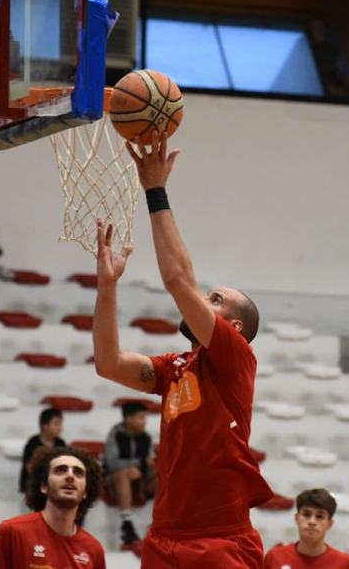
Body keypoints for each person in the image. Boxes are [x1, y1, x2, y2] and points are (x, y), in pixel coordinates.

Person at [92, 131, 273, 568]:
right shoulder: (175, 367)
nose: (202, 301)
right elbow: (108, 363)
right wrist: (107, 286)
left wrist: (155, 190)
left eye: (215, 300)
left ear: (232, 326)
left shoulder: (234, 356)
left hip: (220, 539)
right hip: (165, 535)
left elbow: (178, 281)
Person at [0, 446, 106, 568]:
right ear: (44, 486)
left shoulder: (94, 549)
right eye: (60, 470)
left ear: (86, 492)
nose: (70, 476)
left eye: (78, 473)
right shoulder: (11, 532)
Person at [104, 401, 156, 549]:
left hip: (141, 479)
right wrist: (135, 465)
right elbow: (112, 462)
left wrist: (148, 464)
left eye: (145, 418)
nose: (144, 422)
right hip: (114, 480)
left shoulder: (146, 437)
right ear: (128, 419)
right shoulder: (115, 434)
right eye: (140, 418)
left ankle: (159, 522)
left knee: (162, 478)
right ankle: (127, 524)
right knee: (123, 474)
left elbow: (150, 459)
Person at [263, 489, 349, 569]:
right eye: (306, 514)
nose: (312, 522)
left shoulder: (346, 564)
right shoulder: (274, 557)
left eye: (320, 516)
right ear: (297, 518)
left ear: (330, 524)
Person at [20, 408, 66, 493]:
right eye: (56, 424)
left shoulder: (61, 443)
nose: (60, 428)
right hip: (33, 491)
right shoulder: (33, 442)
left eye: (60, 424)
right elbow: (30, 467)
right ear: (45, 426)